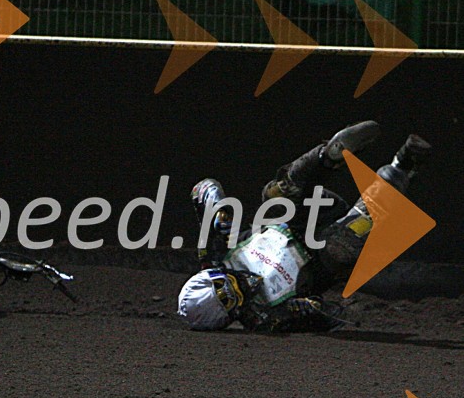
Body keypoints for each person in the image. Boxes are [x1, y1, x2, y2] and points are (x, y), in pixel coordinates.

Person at [177, 121, 432, 332]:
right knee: (342, 248)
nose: (236, 286)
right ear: (227, 317)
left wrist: (216, 212)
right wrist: (308, 310)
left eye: (221, 283)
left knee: (276, 195)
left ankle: (326, 156)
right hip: (324, 250)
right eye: (228, 299)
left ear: (210, 274)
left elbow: (204, 187)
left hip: (301, 214)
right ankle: (402, 166)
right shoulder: (265, 318)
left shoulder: (215, 250)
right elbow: (334, 317)